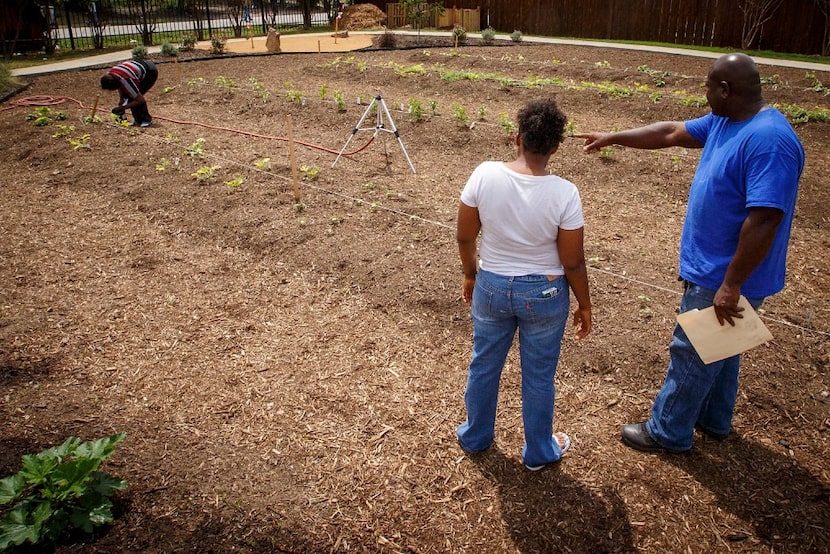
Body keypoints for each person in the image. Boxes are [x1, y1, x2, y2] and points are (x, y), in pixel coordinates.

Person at [576, 53, 804, 453]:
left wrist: (731, 284)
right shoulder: (726, 121)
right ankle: (714, 420)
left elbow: (765, 219)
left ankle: (668, 431)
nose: (704, 93)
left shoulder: (770, 140)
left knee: (694, 350)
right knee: (724, 347)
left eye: (707, 86)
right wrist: (614, 136)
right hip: (715, 269)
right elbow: (669, 132)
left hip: (726, 274)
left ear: (725, 90)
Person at [456, 98, 592, 471]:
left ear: (516, 138)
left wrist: (471, 273)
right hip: (545, 293)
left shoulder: (484, 174)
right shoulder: (565, 192)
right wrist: (585, 302)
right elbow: (572, 261)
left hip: (492, 286)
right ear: (555, 147)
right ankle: (538, 452)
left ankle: (475, 436)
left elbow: (466, 236)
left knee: (484, 364)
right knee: (538, 376)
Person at [100, 59, 158, 127]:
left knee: (134, 98)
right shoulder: (112, 75)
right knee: (130, 97)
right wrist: (122, 100)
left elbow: (139, 100)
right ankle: (138, 120)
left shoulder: (125, 80)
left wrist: (123, 107)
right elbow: (120, 86)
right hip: (139, 66)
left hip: (150, 71)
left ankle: (146, 120)